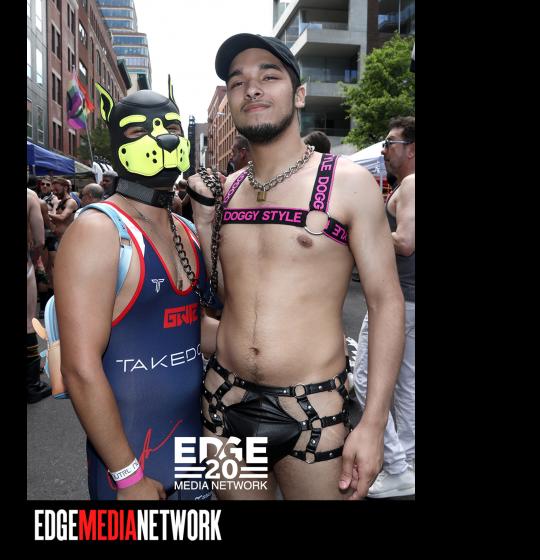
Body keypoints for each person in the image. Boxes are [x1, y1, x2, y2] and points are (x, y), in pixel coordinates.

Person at [187, 33, 405, 500]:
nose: (252, 88)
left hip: (314, 412)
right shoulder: (227, 190)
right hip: (224, 401)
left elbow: (386, 303)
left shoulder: (348, 183)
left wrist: (373, 424)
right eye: (237, 81)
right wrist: (205, 223)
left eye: (269, 76)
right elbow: (226, 296)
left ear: (299, 94)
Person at [53, 85, 218, 500]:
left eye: (171, 128)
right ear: (118, 143)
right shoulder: (98, 230)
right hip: (130, 462)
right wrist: (127, 475)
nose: (162, 138)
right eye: (137, 130)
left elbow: (193, 330)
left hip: (194, 451)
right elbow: (80, 367)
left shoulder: (187, 229)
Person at [353, 116, 415, 498]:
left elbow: (405, 241)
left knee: (364, 378)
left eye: (391, 143)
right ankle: (405, 466)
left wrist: (368, 229)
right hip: (410, 300)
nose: (384, 149)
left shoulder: (411, 183)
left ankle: (395, 464)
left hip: (400, 301)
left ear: (412, 149)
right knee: (407, 386)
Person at [27, 188, 52, 403]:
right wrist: (34, 261)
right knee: (28, 322)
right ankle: (31, 384)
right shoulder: (29, 196)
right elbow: (39, 241)